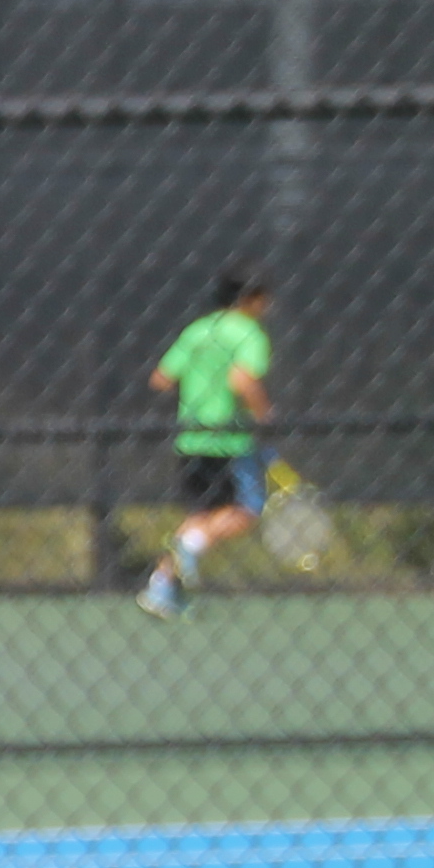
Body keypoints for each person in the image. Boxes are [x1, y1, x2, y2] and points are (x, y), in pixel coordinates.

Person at [139, 264, 273, 621]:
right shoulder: (248, 333)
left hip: (191, 438)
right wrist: (265, 414)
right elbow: (242, 380)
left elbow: (162, 378)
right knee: (247, 509)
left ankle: (161, 588)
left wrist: (200, 391)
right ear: (251, 300)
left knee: (200, 517)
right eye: (263, 299)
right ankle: (186, 550)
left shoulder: (198, 330)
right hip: (230, 441)